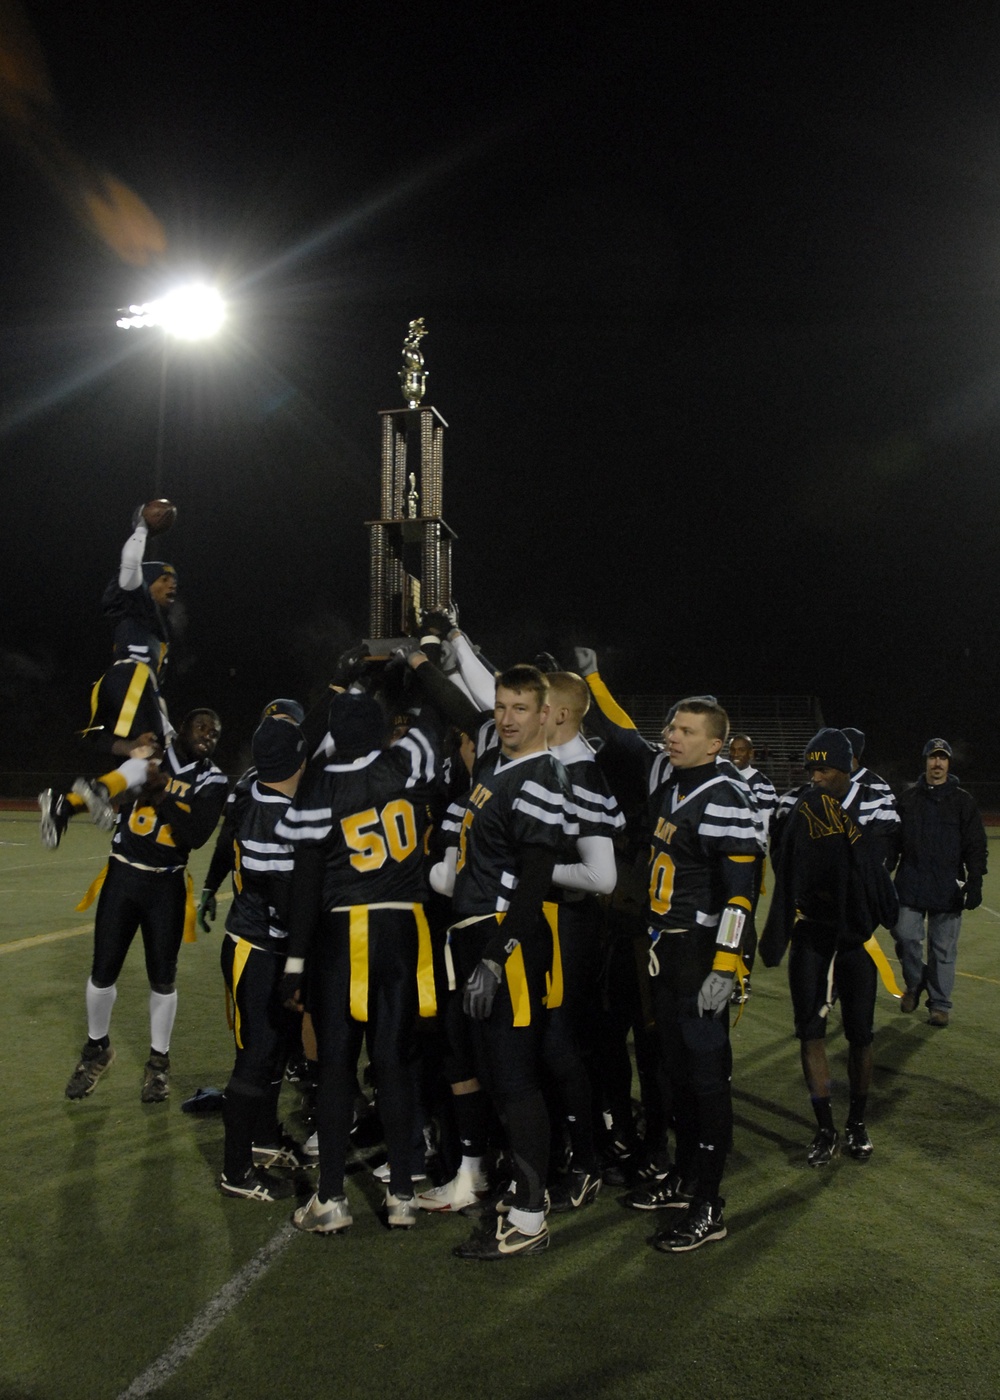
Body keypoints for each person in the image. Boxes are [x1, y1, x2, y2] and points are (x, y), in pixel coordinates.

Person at [421, 662, 580, 1259]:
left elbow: (536, 883)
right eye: (501, 706)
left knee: (515, 1080)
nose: (507, 718)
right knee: (485, 1071)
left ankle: (531, 1217)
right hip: (472, 933)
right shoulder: (494, 763)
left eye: (520, 708)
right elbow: (461, 708)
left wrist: (495, 956)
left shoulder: (543, 776)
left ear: (547, 714)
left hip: (502, 941)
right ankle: (505, 1190)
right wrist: (425, 660)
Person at [277, 686, 440, 1235]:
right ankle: (401, 1197)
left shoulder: (319, 785)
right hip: (404, 930)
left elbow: (305, 885)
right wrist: (418, 666)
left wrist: (295, 963)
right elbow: (438, 716)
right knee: (393, 1063)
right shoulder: (405, 760)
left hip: (345, 933)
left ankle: (330, 1198)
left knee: (337, 1068)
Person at [65, 709, 228, 1102]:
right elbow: (94, 742)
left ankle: (158, 1062)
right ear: (183, 729)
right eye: (201, 726)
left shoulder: (214, 779)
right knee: (102, 972)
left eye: (215, 732)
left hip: (167, 883)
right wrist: (129, 761)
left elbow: (195, 835)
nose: (208, 735)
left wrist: (158, 793)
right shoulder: (148, 754)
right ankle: (96, 1049)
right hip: (122, 875)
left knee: (162, 977)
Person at [762, 728, 899, 1166]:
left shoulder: (875, 797)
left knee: (860, 1033)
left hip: (855, 934)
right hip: (811, 930)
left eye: (825, 768)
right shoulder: (792, 801)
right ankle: (825, 1127)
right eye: (811, 769)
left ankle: (857, 1122)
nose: (816, 776)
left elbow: (880, 861)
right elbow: (782, 858)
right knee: (810, 1031)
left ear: (847, 767)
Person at [39, 505, 180, 849]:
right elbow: (130, 566)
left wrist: (166, 723)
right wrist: (141, 527)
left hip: (126, 684)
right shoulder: (137, 600)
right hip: (130, 678)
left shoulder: (153, 626)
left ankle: (65, 806)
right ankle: (98, 791)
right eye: (165, 578)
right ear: (148, 583)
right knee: (151, 760)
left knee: (147, 770)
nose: (172, 585)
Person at [218, 713, 309, 1202]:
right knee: (254, 1057)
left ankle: (263, 1139)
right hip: (256, 947)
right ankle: (236, 1171)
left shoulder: (262, 784)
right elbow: (285, 903)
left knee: (276, 1049)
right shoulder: (268, 816)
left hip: (269, 946)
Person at [891, 738, 988, 1028]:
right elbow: (893, 841)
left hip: (948, 886)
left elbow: (975, 844)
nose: (937, 763)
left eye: (942, 758)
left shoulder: (963, 801)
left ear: (948, 763)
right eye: (933, 758)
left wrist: (975, 879)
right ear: (925, 761)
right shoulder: (908, 800)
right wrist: (884, 870)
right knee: (905, 936)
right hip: (911, 882)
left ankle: (940, 1004)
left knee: (943, 949)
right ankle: (914, 983)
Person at [726, 733, 777, 1002]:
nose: (736, 754)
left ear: (751, 753)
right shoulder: (720, 776)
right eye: (733, 749)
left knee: (742, 919)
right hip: (720, 860)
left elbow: (762, 830)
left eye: (741, 750)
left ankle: (742, 980)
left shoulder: (763, 785)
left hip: (747, 861)